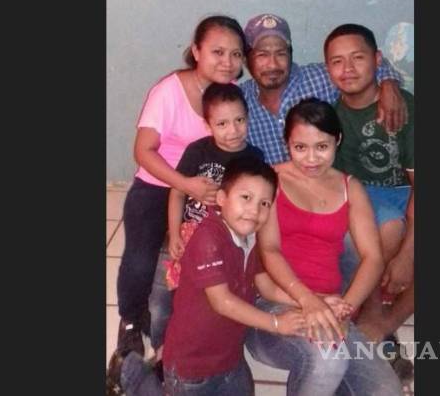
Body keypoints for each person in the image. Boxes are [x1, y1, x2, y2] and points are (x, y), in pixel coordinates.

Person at [107, 156, 308, 396]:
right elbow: (222, 302)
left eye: (264, 203)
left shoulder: (250, 238)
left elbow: (267, 288)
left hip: (229, 359)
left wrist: (311, 301)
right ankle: (131, 373)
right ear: (221, 198)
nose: (254, 210)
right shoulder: (208, 239)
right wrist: (277, 323)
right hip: (192, 368)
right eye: (246, 197)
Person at [112, 15, 247, 364]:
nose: (228, 62)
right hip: (159, 185)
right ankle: (131, 321)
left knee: (211, 259)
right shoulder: (169, 91)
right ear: (196, 51)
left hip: (208, 193)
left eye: (236, 54)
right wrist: (185, 184)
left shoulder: (233, 94)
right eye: (218, 52)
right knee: (142, 257)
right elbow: (143, 151)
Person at [245, 98, 403, 396]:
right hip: (275, 305)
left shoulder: (349, 187)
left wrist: (344, 309)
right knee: (329, 360)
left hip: (332, 308)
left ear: (337, 140)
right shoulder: (270, 180)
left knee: (386, 391)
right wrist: (308, 300)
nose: (311, 159)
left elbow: (372, 257)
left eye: (322, 147)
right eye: (300, 147)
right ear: (287, 144)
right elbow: (270, 250)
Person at [149, 82, 265, 363]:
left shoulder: (254, 157)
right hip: (187, 234)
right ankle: (162, 352)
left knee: (207, 301)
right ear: (208, 124)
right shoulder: (197, 151)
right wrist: (174, 234)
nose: (233, 130)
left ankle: (210, 345)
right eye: (222, 123)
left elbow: (256, 206)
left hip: (224, 242)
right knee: (161, 300)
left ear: (248, 117)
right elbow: (178, 193)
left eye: (239, 120)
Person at [324, 23, 414, 371]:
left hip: (407, 190)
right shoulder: (334, 118)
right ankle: (373, 317)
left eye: (357, 58)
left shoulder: (403, 108)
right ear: (327, 69)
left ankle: (383, 324)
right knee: (386, 229)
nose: (347, 69)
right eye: (337, 61)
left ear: (377, 60)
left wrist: (407, 254)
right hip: (367, 194)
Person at [240, 13, 408, 165]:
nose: (273, 64)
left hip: (331, 184)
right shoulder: (240, 100)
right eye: (262, 55)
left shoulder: (319, 78)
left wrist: (389, 84)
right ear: (247, 61)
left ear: (290, 55)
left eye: (281, 53)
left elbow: (367, 65)